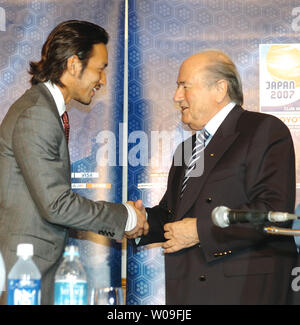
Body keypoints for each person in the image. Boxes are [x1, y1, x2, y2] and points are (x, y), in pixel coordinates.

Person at [0, 20, 148, 305]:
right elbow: (56, 204)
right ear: (73, 65)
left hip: (35, 272)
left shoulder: (44, 110)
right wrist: (126, 217)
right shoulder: (37, 114)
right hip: (25, 278)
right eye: (100, 68)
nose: (103, 80)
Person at [134, 50, 297, 304]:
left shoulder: (264, 130)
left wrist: (200, 231)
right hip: (189, 292)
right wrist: (138, 221)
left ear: (220, 89)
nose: (176, 97)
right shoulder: (186, 149)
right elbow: (172, 215)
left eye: (184, 86)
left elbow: (273, 212)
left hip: (244, 292)